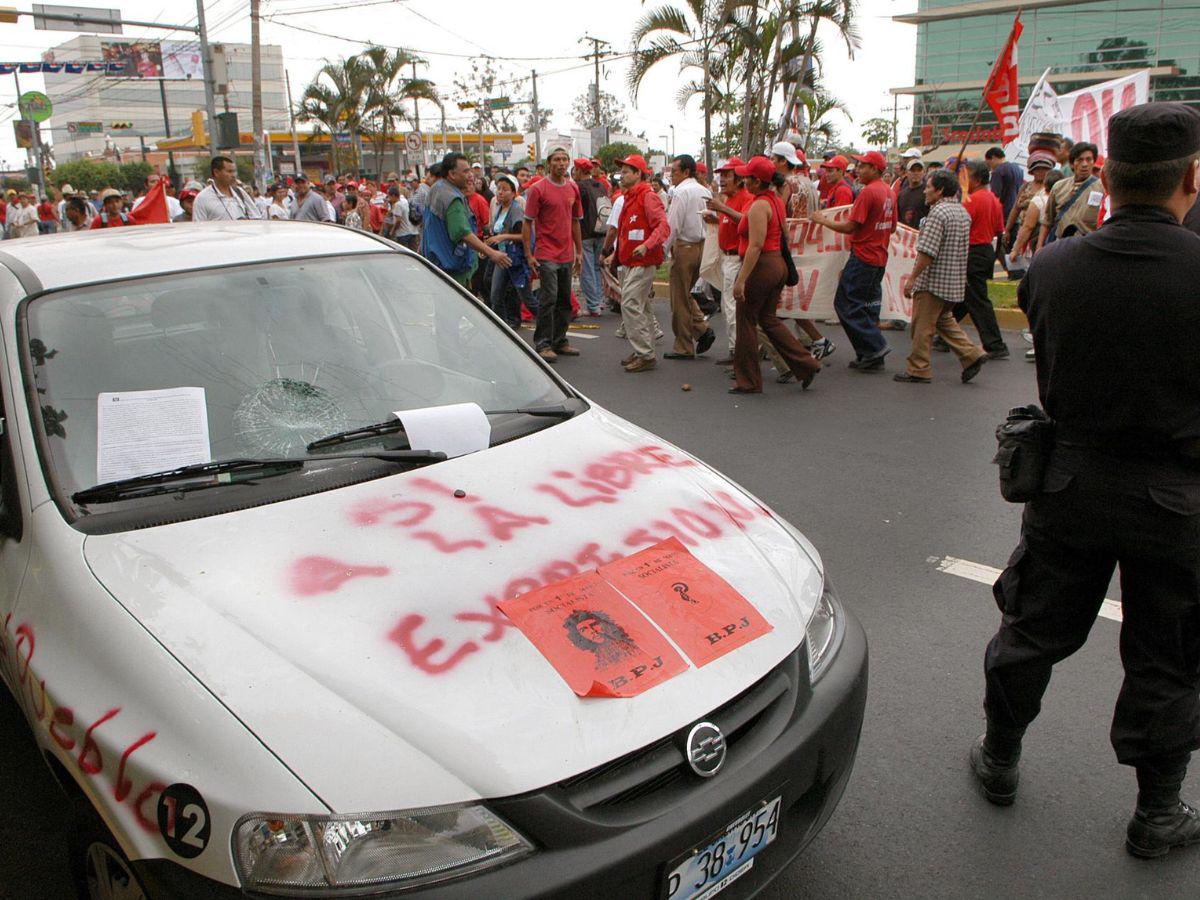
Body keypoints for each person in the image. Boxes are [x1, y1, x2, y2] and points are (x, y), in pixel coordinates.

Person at [971, 102, 1200, 860]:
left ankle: (1000, 758)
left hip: (1071, 482)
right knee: (1169, 655)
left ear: (1104, 173)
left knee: (1032, 628)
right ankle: (1157, 811)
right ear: (1191, 177)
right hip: (1178, 497)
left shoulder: (1056, 266)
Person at [729, 156, 821, 394]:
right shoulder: (776, 201)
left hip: (763, 265)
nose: (744, 180)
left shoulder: (760, 205)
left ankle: (748, 380)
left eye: (747, 177)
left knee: (747, 321)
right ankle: (806, 363)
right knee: (768, 319)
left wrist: (741, 280)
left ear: (757, 182)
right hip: (777, 265)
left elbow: (756, 245)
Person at [895, 169, 987, 384]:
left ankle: (919, 368)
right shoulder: (962, 212)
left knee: (922, 327)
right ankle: (971, 354)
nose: (925, 190)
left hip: (933, 282)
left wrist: (912, 279)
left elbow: (927, 252)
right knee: (944, 320)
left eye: (929, 186)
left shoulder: (938, 213)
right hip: (953, 281)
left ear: (940, 190)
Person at [809, 150, 897, 370]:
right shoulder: (888, 192)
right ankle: (868, 354)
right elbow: (892, 226)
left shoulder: (868, 193)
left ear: (875, 169)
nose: (858, 169)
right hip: (878, 257)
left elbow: (850, 226)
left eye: (864, 166)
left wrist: (822, 220)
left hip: (864, 256)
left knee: (846, 304)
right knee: (864, 306)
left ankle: (875, 347)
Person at [523, 145, 584, 362]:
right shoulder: (538, 189)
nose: (561, 163)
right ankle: (543, 343)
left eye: (564, 159)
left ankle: (560, 340)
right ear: (549, 163)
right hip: (546, 252)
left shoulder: (572, 189)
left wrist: (578, 251)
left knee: (564, 300)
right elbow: (527, 222)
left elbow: (575, 221)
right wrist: (529, 255)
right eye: (556, 159)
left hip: (567, 253)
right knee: (548, 298)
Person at [613, 154, 670, 373]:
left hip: (642, 262)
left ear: (638, 174)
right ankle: (643, 350)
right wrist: (616, 255)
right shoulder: (630, 197)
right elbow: (625, 234)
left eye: (627, 171)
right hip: (631, 262)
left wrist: (647, 245)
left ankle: (645, 354)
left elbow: (663, 227)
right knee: (642, 306)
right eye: (622, 171)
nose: (622, 175)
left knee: (629, 303)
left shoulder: (647, 196)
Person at [950, 160, 1010, 360]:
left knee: (976, 299)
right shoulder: (994, 199)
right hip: (985, 251)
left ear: (976, 179)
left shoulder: (972, 200)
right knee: (966, 297)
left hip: (972, 251)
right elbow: (998, 230)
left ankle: (994, 344)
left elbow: (959, 228)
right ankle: (944, 334)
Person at [423, 151, 509, 288]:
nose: (470, 175)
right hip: (451, 271)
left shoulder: (436, 189)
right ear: (452, 174)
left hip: (437, 266)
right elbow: (463, 233)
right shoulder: (451, 199)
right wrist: (492, 253)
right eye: (466, 171)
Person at [663, 154, 716, 360]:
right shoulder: (704, 190)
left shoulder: (680, 192)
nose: (671, 176)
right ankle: (702, 329)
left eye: (674, 172)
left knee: (679, 299)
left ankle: (684, 345)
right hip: (703, 246)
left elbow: (672, 226)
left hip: (685, 247)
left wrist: (663, 250)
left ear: (686, 172)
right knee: (685, 295)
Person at [705, 157, 751, 365]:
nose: (722, 180)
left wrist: (721, 209)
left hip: (736, 258)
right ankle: (737, 350)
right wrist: (716, 217)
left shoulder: (745, 198)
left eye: (727, 175)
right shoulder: (730, 199)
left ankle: (740, 354)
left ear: (739, 178)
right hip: (727, 258)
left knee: (733, 308)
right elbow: (732, 222)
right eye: (721, 175)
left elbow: (747, 221)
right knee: (728, 307)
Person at [485, 173, 536, 330]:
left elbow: (524, 236)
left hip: (516, 260)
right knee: (496, 295)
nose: (500, 192)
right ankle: (502, 328)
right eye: (499, 188)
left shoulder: (516, 210)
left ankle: (550, 324)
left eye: (505, 189)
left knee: (527, 298)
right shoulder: (499, 208)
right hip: (502, 259)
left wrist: (502, 237)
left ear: (514, 193)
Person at [1038, 141, 1101, 248]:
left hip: (1088, 248)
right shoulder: (1058, 187)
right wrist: (1039, 247)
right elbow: (1047, 221)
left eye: (1089, 159)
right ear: (1072, 164)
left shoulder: (1102, 188)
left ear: (1093, 162)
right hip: (1060, 247)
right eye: (1080, 160)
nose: (1084, 164)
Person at [574, 157, 608, 317]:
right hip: (601, 230)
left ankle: (593, 306)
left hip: (585, 232)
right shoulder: (600, 185)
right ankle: (599, 302)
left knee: (587, 269)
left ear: (579, 171)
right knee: (597, 268)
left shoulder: (578, 187)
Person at [192, 157, 263, 221]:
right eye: (229, 171)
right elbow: (199, 228)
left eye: (234, 171)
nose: (234, 175)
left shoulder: (240, 192)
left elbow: (256, 218)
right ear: (216, 172)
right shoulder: (202, 198)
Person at [985, 147, 1024, 224]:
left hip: (1004, 213)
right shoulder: (1018, 168)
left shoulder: (998, 171)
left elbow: (995, 195)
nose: (990, 167)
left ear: (993, 158)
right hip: (1016, 212)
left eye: (989, 164)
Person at [895, 158, 930, 228]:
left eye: (919, 170)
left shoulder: (929, 192)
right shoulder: (901, 194)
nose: (916, 173)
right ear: (907, 173)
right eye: (913, 170)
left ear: (924, 172)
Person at [386, 185, 419, 250]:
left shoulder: (397, 204)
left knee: (404, 252)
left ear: (393, 196)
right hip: (412, 231)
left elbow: (398, 220)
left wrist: (392, 231)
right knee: (413, 252)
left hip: (403, 234)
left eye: (389, 197)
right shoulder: (404, 200)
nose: (389, 199)